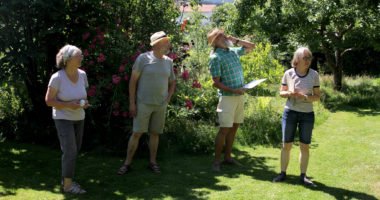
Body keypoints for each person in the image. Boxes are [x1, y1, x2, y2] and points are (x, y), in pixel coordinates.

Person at [117, 31, 176, 174]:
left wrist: (167, 99)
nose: (168, 44)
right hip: (143, 103)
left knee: (155, 133)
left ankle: (152, 162)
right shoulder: (143, 59)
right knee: (137, 133)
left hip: (160, 105)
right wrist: (132, 103)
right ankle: (127, 164)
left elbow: (173, 82)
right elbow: (133, 82)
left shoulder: (168, 61)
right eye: (165, 41)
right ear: (157, 44)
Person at [207, 28, 255, 171]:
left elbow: (252, 46)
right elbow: (215, 82)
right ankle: (216, 162)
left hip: (239, 96)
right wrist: (234, 90)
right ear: (216, 41)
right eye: (221, 35)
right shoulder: (215, 57)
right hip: (228, 98)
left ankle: (228, 157)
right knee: (224, 130)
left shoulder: (232, 51)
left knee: (234, 128)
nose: (225, 36)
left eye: (224, 34)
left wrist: (234, 39)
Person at [272, 47, 321, 186]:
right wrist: (289, 93)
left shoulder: (314, 74)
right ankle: (282, 173)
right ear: (297, 59)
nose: (308, 61)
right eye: (305, 58)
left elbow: (317, 97)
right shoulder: (288, 73)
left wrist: (305, 97)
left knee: (304, 146)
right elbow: (281, 92)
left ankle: (303, 176)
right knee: (286, 145)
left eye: (309, 58)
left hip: (307, 115)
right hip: (290, 113)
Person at [45, 44, 89, 194]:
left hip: (79, 117)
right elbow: (49, 101)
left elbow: (83, 95)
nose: (81, 58)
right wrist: (69, 105)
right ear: (68, 59)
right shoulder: (57, 78)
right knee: (70, 151)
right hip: (63, 118)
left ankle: (66, 179)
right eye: (79, 55)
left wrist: (85, 103)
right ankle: (68, 186)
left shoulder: (82, 74)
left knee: (75, 150)